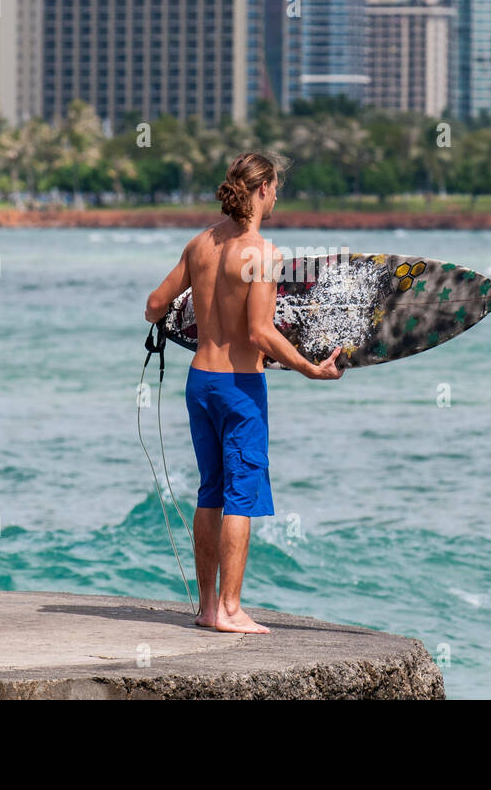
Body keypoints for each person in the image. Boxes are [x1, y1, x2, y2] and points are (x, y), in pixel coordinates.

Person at [145, 151, 345, 634]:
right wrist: (307, 368)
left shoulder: (199, 245)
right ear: (261, 190)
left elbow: (154, 306)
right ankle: (232, 611)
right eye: (275, 188)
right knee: (241, 494)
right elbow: (259, 331)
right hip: (239, 386)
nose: (276, 197)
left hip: (200, 383)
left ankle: (208, 607)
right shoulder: (261, 253)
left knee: (210, 490)